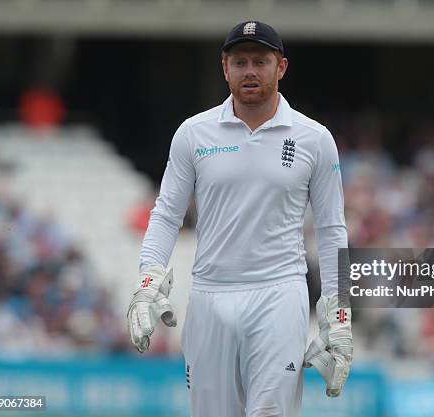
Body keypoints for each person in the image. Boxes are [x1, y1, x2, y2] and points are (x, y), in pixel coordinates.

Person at [127, 21, 353, 417]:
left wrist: (338, 316)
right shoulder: (193, 134)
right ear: (224, 67)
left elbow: (333, 229)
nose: (250, 71)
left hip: (279, 293)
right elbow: (165, 215)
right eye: (241, 61)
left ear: (280, 67)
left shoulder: (313, 138)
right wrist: (147, 284)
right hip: (210, 296)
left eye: (260, 62)